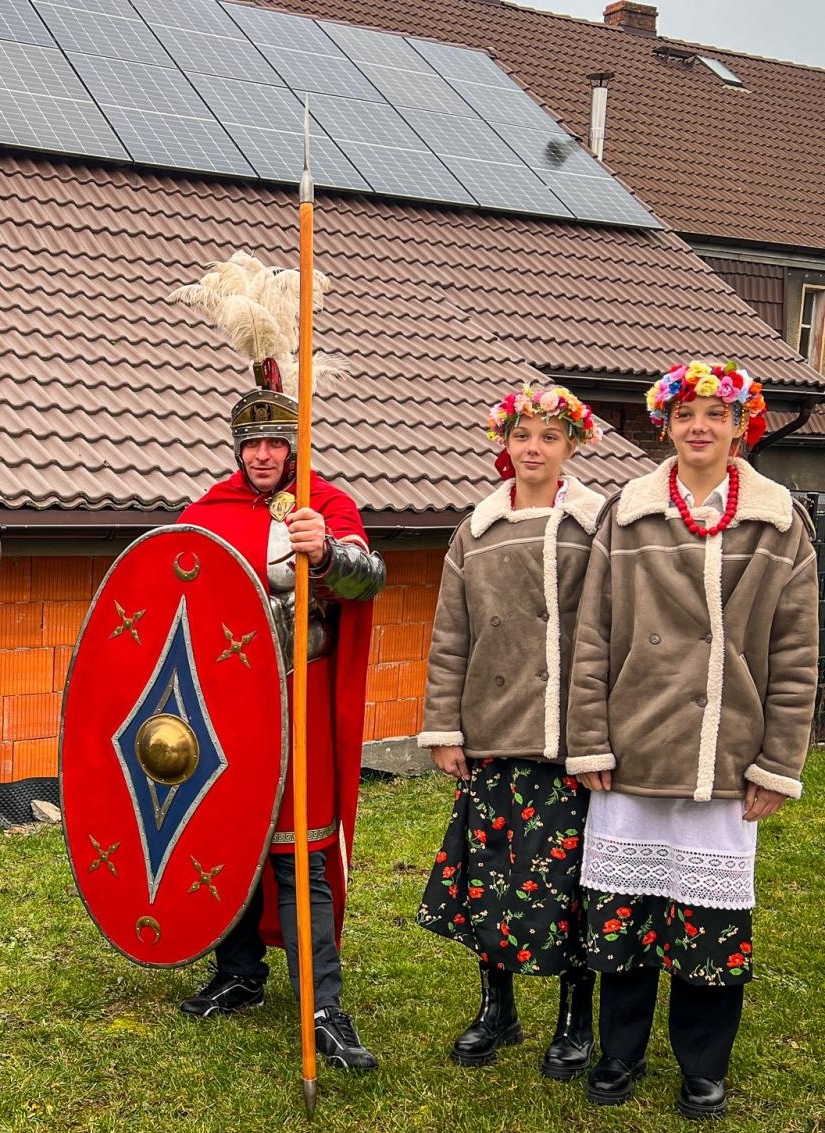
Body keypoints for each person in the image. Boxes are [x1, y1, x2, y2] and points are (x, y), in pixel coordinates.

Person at [566, 361, 817, 1119]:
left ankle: (703, 1064)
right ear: (665, 425)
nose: (699, 426)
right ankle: (619, 1051)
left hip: (725, 750)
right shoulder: (627, 513)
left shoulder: (779, 521)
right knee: (625, 915)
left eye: (715, 414)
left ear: (742, 426)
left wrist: (778, 762)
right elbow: (592, 634)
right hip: (635, 743)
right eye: (685, 414)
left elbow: (797, 652)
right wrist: (589, 738)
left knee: (710, 923)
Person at [177, 385, 387, 1071]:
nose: (263, 455)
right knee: (229, 837)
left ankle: (322, 1007)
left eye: (275, 443)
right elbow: (177, 591)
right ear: (237, 448)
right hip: (225, 703)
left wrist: (325, 555)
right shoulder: (208, 512)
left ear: (294, 447)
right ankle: (238, 972)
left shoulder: (326, 505)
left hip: (300, 698)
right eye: (252, 444)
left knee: (302, 849)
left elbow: (368, 579)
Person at [416, 385, 606, 1078]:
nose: (534, 448)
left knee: (574, 883)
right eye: (522, 435)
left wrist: (602, 732)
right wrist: (444, 726)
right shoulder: (477, 530)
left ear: (572, 446)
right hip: (494, 732)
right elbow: (451, 636)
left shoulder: (596, 525)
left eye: (549, 436)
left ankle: (574, 1018)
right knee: (492, 875)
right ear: (505, 443)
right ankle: (497, 1008)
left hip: (568, 736)